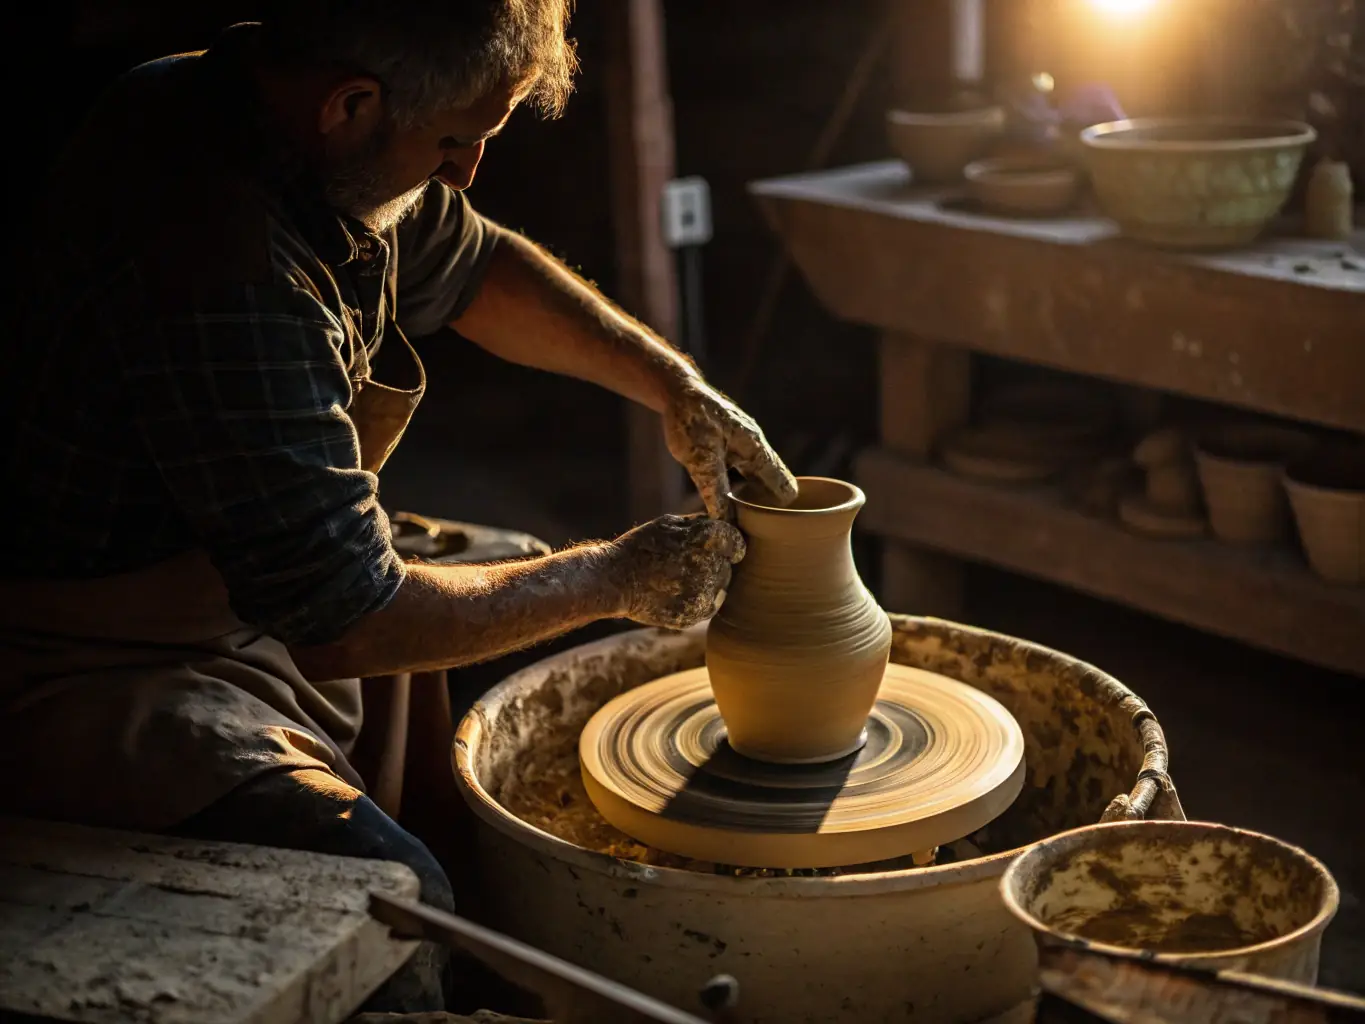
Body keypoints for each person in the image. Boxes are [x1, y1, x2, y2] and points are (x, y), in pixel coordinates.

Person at [0, 0, 796, 1013]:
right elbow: (345, 618)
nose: (466, 172)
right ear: (352, 105)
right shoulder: (217, 254)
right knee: (398, 905)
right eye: (457, 141)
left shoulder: (297, 123)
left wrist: (673, 385)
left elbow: (469, 263)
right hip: (96, 663)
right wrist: (614, 577)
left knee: (527, 639)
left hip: (247, 583)